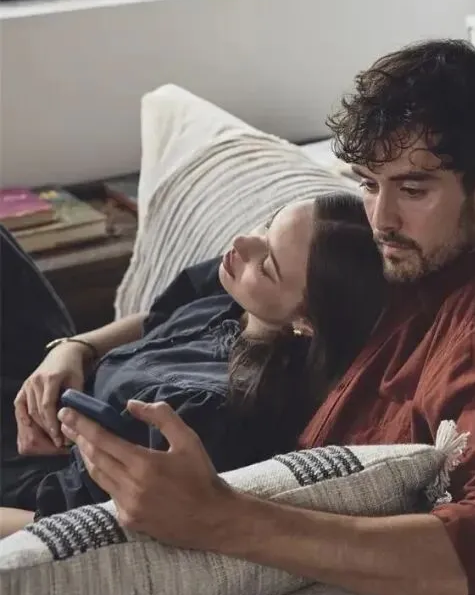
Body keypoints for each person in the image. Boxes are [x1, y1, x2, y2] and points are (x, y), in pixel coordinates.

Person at [40, 39, 475, 595]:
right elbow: (215, 291)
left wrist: (220, 516)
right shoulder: (397, 258)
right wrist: (78, 346)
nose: (381, 219)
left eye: (413, 190)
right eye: (369, 184)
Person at [1, 192, 385, 535]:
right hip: (55, 379)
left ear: (306, 323)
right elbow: (154, 322)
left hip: (35, 472)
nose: (242, 242)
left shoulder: (204, 414)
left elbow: (61, 524)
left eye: (267, 264)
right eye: (268, 226)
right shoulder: (240, 290)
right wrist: (73, 349)